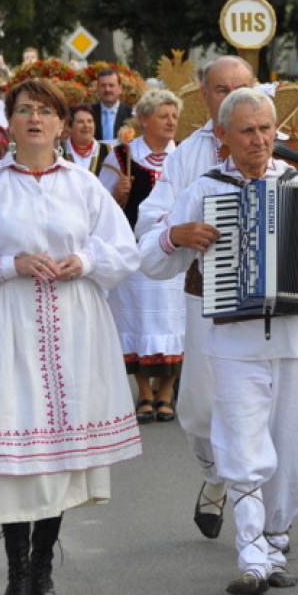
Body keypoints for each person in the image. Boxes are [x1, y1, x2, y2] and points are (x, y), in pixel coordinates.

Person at [139, 88, 298, 595]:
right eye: (247, 131)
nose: (259, 140)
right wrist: (176, 237)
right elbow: (150, 259)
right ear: (225, 137)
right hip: (233, 340)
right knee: (241, 445)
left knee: (291, 450)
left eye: (265, 130)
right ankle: (252, 552)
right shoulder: (204, 188)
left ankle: (276, 543)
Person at [0, 78, 141, 595]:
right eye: (25, 110)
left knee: (57, 454)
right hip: (6, 324)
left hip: (74, 325)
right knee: (17, 451)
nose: (35, 118)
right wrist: (12, 264)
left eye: (46, 111)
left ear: (60, 123)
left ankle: (42, 571)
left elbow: (122, 248)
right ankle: (15, 576)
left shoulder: (82, 184)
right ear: (10, 121)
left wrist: (88, 260)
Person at [135, 55, 254, 541]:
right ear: (203, 96)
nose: (231, 97)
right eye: (221, 89)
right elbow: (150, 221)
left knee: (262, 417)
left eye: (240, 88)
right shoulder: (188, 154)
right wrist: (177, 232)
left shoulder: (281, 145)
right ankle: (214, 477)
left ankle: (260, 537)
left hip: (274, 306)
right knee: (200, 412)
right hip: (206, 296)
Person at [101, 89, 185, 424]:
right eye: (163, 116)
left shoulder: (184, 158)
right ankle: (144, 392)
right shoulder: (120, 158)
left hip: (174, 252)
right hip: (134, 254)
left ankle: (165, 391)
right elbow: (100, 210)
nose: (170, 122)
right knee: (135, 318)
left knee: (172, 319)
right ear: (144, 120)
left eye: (174, 116)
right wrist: (116, 194)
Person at [62, 103, 112, 177]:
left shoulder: (108, 151)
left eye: (90, 121)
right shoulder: (59, 150)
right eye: (80, 122)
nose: (86, 125)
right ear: (70, 127)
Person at [91, 68, 133, 143]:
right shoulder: (90, 112)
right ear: (98, 88)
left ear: (120, 88)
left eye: (111, 85)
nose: (107, 89)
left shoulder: (131, 114)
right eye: (103, 86)